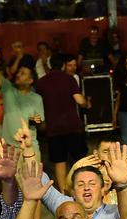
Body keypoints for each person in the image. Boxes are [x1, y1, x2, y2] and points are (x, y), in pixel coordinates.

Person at [0, 33, 45, 155]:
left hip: (30, 147)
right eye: (18, 72)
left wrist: (37, 121)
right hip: (10, 148)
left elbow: (42, 127)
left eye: (22, 73)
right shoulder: (8, 89)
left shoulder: (36, 98)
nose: (18, 74)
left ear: (30, 80)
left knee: (33, 174)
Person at [36, 52, 91, 191]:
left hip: (53, 128)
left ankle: (62, 192)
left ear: (49, 65)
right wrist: (86, 103)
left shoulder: (41, 82)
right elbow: (79, 100)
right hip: (72, 126)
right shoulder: (69, 79)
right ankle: (82, 187)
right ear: (63, 65)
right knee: (79, 160)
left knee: (59, 162)